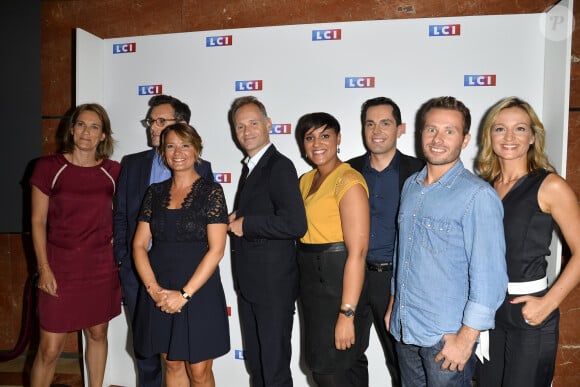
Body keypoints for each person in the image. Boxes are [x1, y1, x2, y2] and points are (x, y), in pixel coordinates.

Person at [385, 96, 508, 387]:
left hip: (446, 338)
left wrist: (467, 338)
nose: (438, 139)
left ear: (465, 140)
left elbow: (490, 277)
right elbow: (404, 251)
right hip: (406, 328)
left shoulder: (477, 196)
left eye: (449, 131)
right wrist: (394, 303)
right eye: (431, 130)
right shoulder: (411, 186)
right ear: (420, 134)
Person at [475, 97, 580, 387]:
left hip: (530, 312)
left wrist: (549, 303)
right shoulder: (483, 188)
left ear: (533, 136)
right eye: (500, 129)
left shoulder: (551, 186)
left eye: (519, 129)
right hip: (489, 312)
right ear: (489, 136)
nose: (509, 137)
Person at [113, 95, 213, 386]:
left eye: (160, 121)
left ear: (181, 124)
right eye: (150, 121)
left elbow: (208, 233)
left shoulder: (203, 171)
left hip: (185, 279)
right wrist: (124, 261)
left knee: (188, 360)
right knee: (148, 355)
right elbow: (121, 217)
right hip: (140, 276)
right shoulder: (132, 164)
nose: (153, 127)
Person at [30, 103, 121, 387]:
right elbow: (37, 222)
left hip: (101, 269)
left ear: (103, 135)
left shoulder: (114, 171)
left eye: (95, 127)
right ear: (71, 129)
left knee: (97, 335)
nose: (87, 132)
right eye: (81, 124)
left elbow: (127, 214)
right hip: (59, 268)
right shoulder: (48, 168)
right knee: (50, 349)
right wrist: (44, 269)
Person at [131, 123, 230, 386]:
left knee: (199, 372)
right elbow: (139, 245)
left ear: (197, 149)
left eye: (185, 145)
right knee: (171, 363)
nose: (178, 152)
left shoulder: (211, 192)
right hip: (160, 288)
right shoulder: (154, 193)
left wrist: (185, 294)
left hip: (199, 289)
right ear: (162, 152)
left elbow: (217, 249)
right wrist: (154, 290)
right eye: (170, 146)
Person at [227, 96, 307, 387]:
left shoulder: (279, 166)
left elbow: (295, 223)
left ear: (268, 125)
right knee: (258, 368)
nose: (247, 132)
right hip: (252, 285)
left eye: (253, 124)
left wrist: (247, 223)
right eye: (240, 127)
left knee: (273, 372)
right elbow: (269, 210)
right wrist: (241, 214)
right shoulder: (252, 167)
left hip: (273, 287)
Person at [347, 97, 424, 387]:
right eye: (370, 123)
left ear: (400, 129)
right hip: (353, 275)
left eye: (385, 123)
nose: (376, 130)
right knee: (348, 357)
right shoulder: (348, 171)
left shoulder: (419, 172)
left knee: (400, 359)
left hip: (397, 280)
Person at [296, 112, 370, 387]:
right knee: (341, 369)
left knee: (331, 372)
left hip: (340, 290)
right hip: (314, 291)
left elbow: (357, 254)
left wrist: (347, 313)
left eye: (325, 135)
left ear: (338, 139)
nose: (317, 143)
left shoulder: (348, 181)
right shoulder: (305, 180)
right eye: (310, 137)